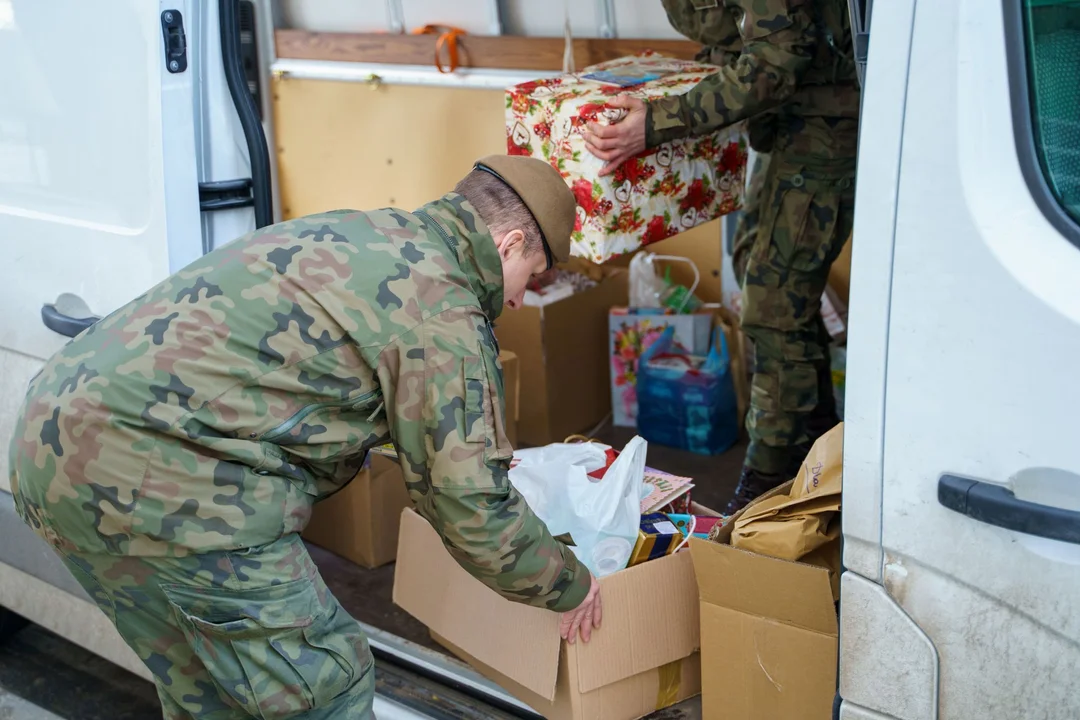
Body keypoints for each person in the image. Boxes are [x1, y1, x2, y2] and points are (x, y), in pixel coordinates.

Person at [8, 155, 602, 720]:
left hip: (52, 442)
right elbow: (468, 505)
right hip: (166, 480)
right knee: (324, 689)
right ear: (511, 244)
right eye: (532, 277)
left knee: (213, 693)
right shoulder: (441, 311)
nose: (521, 298)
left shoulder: (362, 229)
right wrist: (569, 586)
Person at [583, 0, 860, 512]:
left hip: (827, 121)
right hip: (787, 122)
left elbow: (778, 58)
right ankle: (818, 430)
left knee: (772, 300)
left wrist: (661, 120)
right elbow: (738, 34)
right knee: (752, 261)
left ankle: (769, 474)